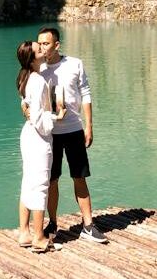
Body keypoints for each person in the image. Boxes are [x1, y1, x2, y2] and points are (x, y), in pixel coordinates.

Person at [36, 26, 107, 244]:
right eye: (39, 44)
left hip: (74, 129)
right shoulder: (38, 70)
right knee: (52, 179)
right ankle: (53, 223)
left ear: (57, 45)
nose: (42, 48)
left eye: (46, 43)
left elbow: (85, 93)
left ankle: (88, 225)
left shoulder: (75, 64)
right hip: (50, 133)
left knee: (80, 176)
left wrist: (89, 126)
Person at [16, 40, 58, 253]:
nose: (43, 48)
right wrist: (57, 117)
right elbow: (41, 122)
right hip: (37, 138)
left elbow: (27, 107)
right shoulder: (39, 81)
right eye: (38, 49)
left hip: (27, 135)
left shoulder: (25, 77)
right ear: (32, 59)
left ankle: (24, 232)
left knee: (28, 181)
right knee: (41, 185)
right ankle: (39, 237)